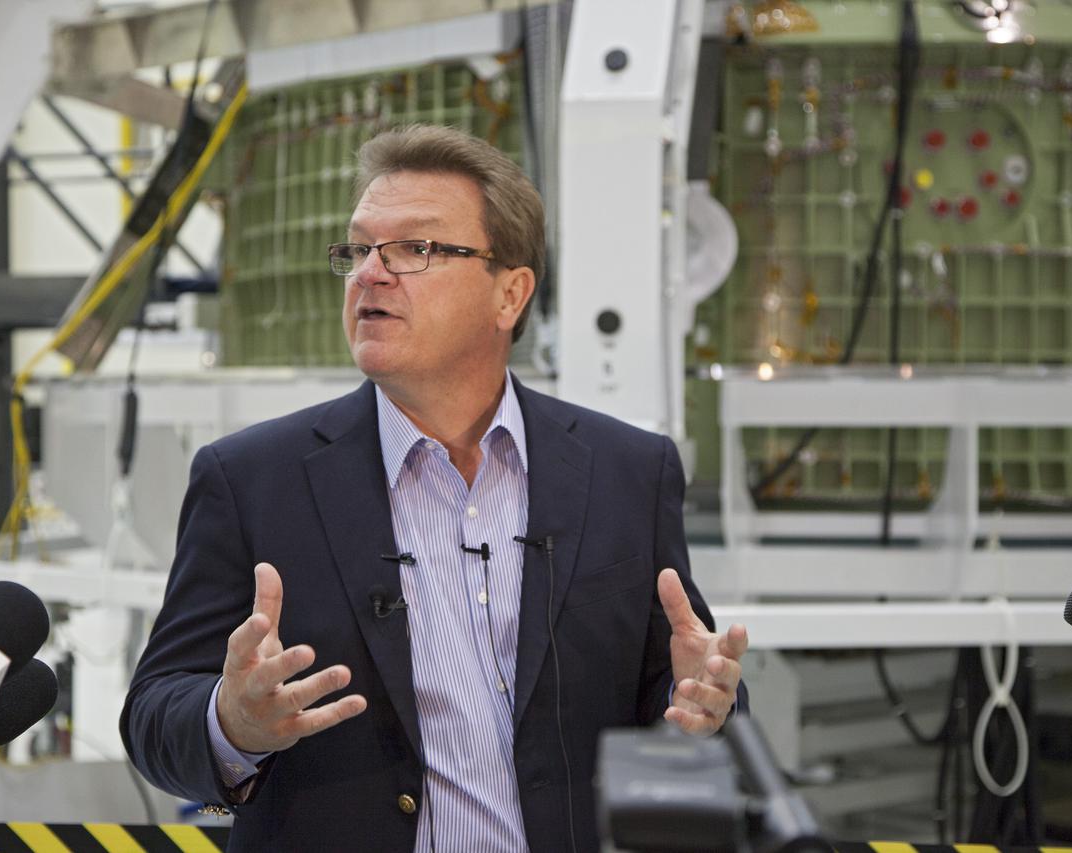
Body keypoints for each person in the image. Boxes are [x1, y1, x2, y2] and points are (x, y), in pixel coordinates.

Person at [121, 124, 749, 852]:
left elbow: (683, 686)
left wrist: (699, 703)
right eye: (358, 250)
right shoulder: (252, 479)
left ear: (509, 294)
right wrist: (233, 721)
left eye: (413, 249)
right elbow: (153, 716)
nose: (369, 274)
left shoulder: (627, 472)